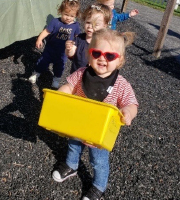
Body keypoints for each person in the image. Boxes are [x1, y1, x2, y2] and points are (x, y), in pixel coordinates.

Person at [52, 28, 138, 200]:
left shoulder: (120, 84)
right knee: (73, 145)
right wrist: (60, 95)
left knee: (98, 161)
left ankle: (99, 186)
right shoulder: (81, 73)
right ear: (89, 54)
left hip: (100, 132)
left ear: (119, 60)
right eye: (96, 52)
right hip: (78, 122)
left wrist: (128, 112)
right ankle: (71, 166)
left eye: (110, 56)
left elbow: (131, 103)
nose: (102, 58)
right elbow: (69, 86)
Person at [29, 0, 80, 88]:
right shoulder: (55, 22)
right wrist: (40, 39)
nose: (68, 18)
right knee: (42, 61)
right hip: (50, 48)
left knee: (59, 66)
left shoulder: (75, 26)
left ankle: (56, 78)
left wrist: (76, 47)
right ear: (61, 11)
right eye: (66, 14)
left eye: (72, 16)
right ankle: (36, 73)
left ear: (76, 15)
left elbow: (77, 36)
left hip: (63, 52)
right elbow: (47, 31)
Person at [65, 3, 112, 74]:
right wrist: (69, 49)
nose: (90, 26)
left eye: (96, 24)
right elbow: (71, 54)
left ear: (104, 25)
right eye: (88, 22)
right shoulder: (79, 38)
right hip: (76, 74)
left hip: (92, 77)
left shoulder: (104, 43)